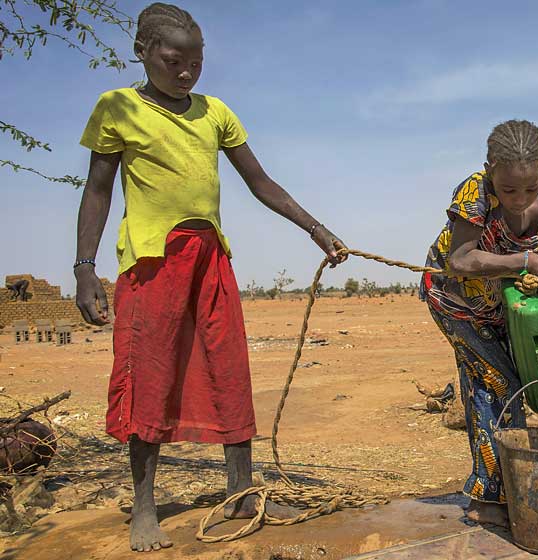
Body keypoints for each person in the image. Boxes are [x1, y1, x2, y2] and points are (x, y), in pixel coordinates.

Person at [74, 3, 346, 552]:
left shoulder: (215, 112)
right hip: (152, 262)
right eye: (173, 60)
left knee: (229, 368)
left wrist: (315, 228)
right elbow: (98, 189)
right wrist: (84, 268)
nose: (185, 73)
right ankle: (145, 507)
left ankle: (242, 491)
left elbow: (259, 181)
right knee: (149, 378)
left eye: (195, 62)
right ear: (143, 51)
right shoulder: (117, 107)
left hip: (211, 256)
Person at [420, 120, 538, 526]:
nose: (520, 199)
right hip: (454, 300)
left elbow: (537, 275)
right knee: (493, 382)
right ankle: (487, 500)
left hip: (499, 309)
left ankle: (508, 491)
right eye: (509, 189)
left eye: (531, 187)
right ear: (489, 170)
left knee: (513, 384)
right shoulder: (473, 194)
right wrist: (526, 261)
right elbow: (462, 261)